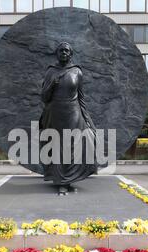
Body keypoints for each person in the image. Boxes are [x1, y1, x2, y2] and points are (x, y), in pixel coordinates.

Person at [40, 42, 97, 196]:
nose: (64, 53)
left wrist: (89, 121)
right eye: (61, 50)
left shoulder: (77, 72)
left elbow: (82, 98)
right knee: (58, 147)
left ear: (71, 54)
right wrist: (52, 84)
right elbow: (44, 98)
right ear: (56, 54)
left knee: (74, 146)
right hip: (56, 113)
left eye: (66, 51)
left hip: (74, 113)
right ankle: (62, 182)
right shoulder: (50, 72)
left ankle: (70, 179)